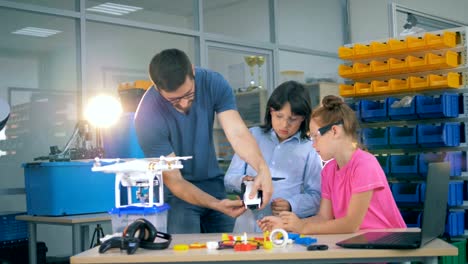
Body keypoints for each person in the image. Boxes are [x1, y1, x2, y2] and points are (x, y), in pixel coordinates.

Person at [134, 49, 273, 234]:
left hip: (213, 185)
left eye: (189, 95)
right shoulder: (147, 115)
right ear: (157, 88)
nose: (183, 104)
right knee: (186, 254)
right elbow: (174, 180)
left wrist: (263, 169)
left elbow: (237, 133)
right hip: (177, 195)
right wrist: (215, 204)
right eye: (174, 100)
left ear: (193, 71)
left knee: (227, 251)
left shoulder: (213, 82)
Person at [257, 95, 406, 234]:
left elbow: (350, 224)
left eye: (315, 136)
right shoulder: (329, 170)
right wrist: (287, 224)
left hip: (386, 247)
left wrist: (303, 227)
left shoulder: (365, 164)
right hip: (358, 245)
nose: (313, 144)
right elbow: (324, 218)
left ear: (334, 131)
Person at [224, 81, 322, 233]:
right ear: (270, 111)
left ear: (303, 118)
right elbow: (229, 179)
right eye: (279, 116)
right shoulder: (252, 136)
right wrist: (243, 181)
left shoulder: (310, 147)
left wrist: (291, 205)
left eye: (293, 119)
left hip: (283, 229)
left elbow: (317, 196)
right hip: (247, 226)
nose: (284, 124)